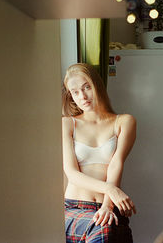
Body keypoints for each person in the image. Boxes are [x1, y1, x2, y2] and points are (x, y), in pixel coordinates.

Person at [62, 63, 137, 243]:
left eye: (87, 87)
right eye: (75, 92)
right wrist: (111, 190)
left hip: (109, 205)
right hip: (75, 207)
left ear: (97, 85)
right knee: (104, 228)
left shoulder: (124, 121)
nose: (82, 96)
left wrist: (107, 206)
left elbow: (116, 164)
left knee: (116, 231)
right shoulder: (67, 123)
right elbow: (72, 174)